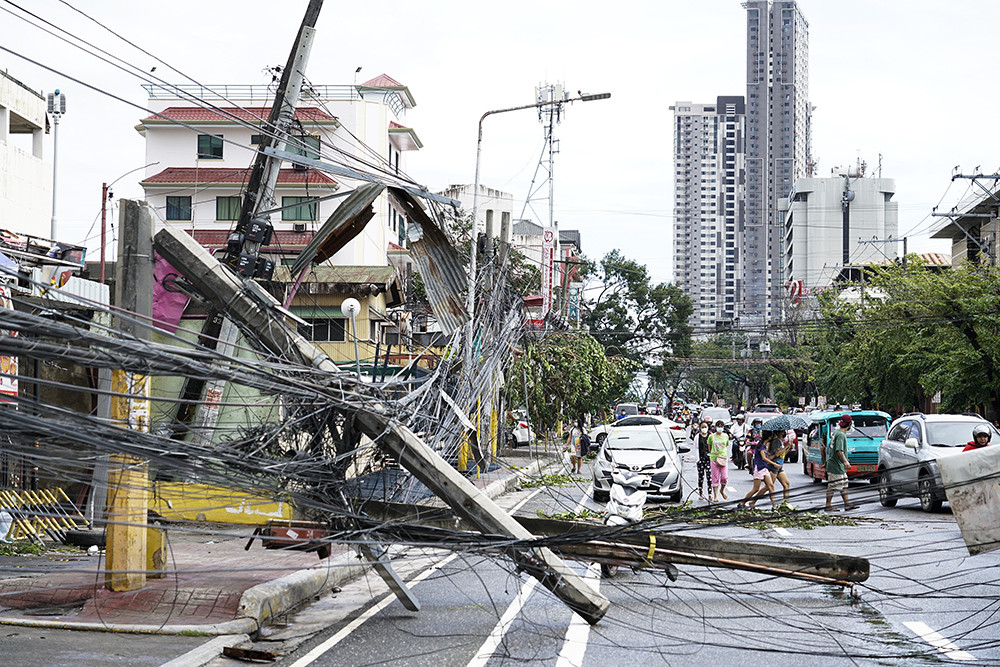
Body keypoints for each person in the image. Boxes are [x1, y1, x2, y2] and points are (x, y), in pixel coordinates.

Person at [825, 415, 859, 511]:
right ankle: (828, 505)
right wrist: (845, 461)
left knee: (844, 485)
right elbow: (839, 450)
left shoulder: (836, 432)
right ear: (849, 424)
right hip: (836, 464)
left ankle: (847, 504)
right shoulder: (840, 435)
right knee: (832, 486)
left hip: (838, 465)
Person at [741, 429, 775, 508]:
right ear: (769, 437)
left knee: (771, 486)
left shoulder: (764, 445)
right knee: (756, 489)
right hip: (759, 469)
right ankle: (742, 503)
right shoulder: (761, 446)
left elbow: (766, 457)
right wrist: (774, 464)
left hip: (764, 468)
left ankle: (774, 505)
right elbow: (764, 458)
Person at [708, 420, 730, 502]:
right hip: (714, 459)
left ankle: (722, 490)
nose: (719, 428)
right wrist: (713, 454)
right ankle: (716, 496)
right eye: (718, 426)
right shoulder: (711, 436)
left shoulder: (725, 436)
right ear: (715, 427)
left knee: (724, 477)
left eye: (721, 426)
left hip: (723, 458)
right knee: (715, 478)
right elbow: (709, 446)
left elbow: (726, 445)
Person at [693, 420, 712, 499]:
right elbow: (696, 448)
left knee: (709, 476)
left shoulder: (711, 436)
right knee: (701, 476)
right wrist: (697, 459)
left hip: (709, 459)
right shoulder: (698, 436)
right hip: (701, 459)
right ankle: (701, 493)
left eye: (705, 427)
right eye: (702, 427)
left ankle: (710, 493)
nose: (704, 429)